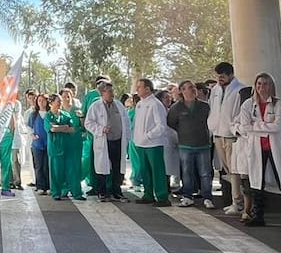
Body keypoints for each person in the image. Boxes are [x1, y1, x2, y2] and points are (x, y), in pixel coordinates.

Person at [234, 73, 281, 231]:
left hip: (277, 147)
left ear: (272, 86)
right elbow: (244, 127)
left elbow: (279, 126)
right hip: (257, 148)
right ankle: (258, 216)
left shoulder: (279, 104)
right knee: (257, 181)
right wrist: (264, 127)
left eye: (266, 84)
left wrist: (256, 126)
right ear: (255, 86)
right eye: (259, 84)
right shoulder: (248, 105)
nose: (262, 87)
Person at [167, 80, 215, 209]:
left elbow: (210, 122)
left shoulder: (205, 106)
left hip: (203, 144)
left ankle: (207, 197)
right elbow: (171, 123)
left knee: (205, 173)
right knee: (187, 172)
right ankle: (188, 197)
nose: (193, 89)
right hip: (185, 145)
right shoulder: (176, 108)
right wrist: (183, 132)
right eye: (189, 88)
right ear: (182, 91)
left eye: (193, 87)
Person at [208, 62, 247, 214]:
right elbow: (213, 108)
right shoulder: (216, 90)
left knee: (235, 170)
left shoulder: (240, 89)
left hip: (231, 135)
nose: (220, 79)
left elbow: (240, 112)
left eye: (223, 76)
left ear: (231, 75)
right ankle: (236, 200)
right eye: (218, 76)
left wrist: (234, 128)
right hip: (218, 133)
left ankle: (238, 202)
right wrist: (211, 125)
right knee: (227, 170)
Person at [86, 80, 128, 202]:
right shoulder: (95, 106)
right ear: (102, 93)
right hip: (104, 141)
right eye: (109, 92)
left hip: (118, 140)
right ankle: (102, 192)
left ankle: (117, 192)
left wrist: (127, 137)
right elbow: (88, 123)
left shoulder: (119, 105)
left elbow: (125, 121)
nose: (112, 94)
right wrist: (101, 129)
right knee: (102, 167)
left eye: (112, 91)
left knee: (117, 167)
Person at [132, 79, 171, 207]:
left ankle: (162, 196)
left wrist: (148, 136)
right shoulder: (139, 104)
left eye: (139, 87)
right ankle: (148, 194)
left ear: (147, 89)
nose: (137, 89)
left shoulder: (155, 104)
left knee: (157, 171)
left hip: (153, 144)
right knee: (145, 171)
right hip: (141, 144)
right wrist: (137, 138)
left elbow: (161, 126)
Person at [46, 93, 81, 200]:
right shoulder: (48, 116)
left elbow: (72, 129)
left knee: (72, 170)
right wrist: (64, 127)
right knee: (56, 171)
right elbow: (52, 129)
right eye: (58, 101)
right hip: (55, 148)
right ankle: (56, 192)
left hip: (68, 146)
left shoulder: (66, 115)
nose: (60, 103)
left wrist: (59, 127)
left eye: (61, 101)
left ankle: (76, 193)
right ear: (51, 103)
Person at [27, 92, 50, 195]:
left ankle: (48, 186)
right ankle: (40, 186)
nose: (41, 102)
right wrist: (33, 136)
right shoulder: (34, 115)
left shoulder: (50, 114)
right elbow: (29, 128)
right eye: (39, 100)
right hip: (37, 145)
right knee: (39, 166)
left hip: (49, 143)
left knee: (47, 166)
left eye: (43, 100)